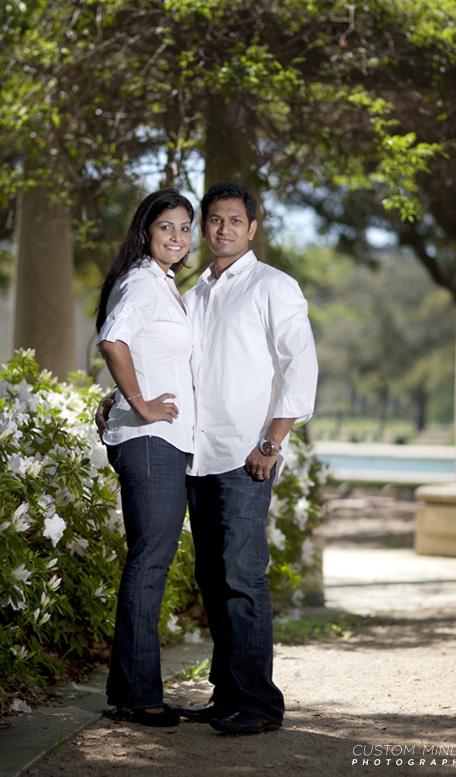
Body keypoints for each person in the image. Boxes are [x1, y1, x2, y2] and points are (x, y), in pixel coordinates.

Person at [97, 182, 318, 736]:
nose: (222, 229)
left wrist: (272, 442)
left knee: (244, 576)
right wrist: (123, 398)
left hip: (247, 454)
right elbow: (161, 359)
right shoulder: (191, 294)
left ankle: (259, 703)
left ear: (252, 228)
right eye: (213, 220)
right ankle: (229, 695)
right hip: (195, 455)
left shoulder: (274, 286)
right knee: (214, 577)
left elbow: (301, 366)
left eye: (233, 220)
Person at [95, 188, 195, 727]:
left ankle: (132, 691)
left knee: (150, 562)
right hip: (150, 444)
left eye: (184, 228)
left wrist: (118, 399)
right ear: (146, 230)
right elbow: (114, 341)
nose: (176, 238)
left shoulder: (163, 284)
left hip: (163, 444)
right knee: (149, 563)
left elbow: (147, 352)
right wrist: (139, 404)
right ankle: (138, 698)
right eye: (166, 228)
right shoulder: (141, 281)